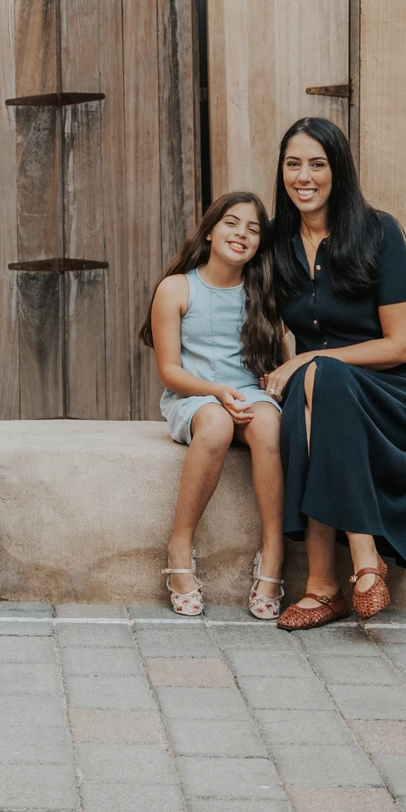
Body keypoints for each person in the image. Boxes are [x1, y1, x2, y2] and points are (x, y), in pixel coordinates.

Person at [259, 116, 406, 630]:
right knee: (313, 392)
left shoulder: (378, 231)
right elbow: (233, 300)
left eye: (317, 164)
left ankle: (328, 581)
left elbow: (402, 345)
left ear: (338, 170)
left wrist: (306, 359)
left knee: (321, 375)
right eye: (293, 164)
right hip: (323, 397)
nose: (304, 176)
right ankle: (358, 566)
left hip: (398, 397)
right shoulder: (276, 243)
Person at [142, 191, 286, 620]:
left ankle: (274, 554)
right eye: (231, 223)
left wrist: (268, 381)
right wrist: (217, 392)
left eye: (253, 229)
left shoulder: (263, 291)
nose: (241, 233)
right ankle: (180, 546)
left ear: (259, 245)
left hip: (246, 394)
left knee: (267, 426)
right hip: (193, 396)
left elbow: (274, 358)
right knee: (217, 425)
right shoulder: (177, 288)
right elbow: (169, 371)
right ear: (209, 231)